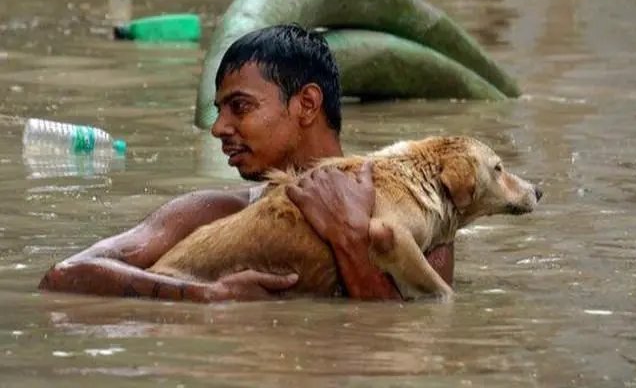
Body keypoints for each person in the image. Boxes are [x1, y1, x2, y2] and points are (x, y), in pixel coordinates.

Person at [38, 24, 453, 302]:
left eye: (240, 107)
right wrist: (207, 295)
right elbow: (63, 277)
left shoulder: (419, 212)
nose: (218, 128)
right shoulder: (214, 215)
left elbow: (419, 335)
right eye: (219, 110)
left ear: (306, 104)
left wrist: (348, 237)